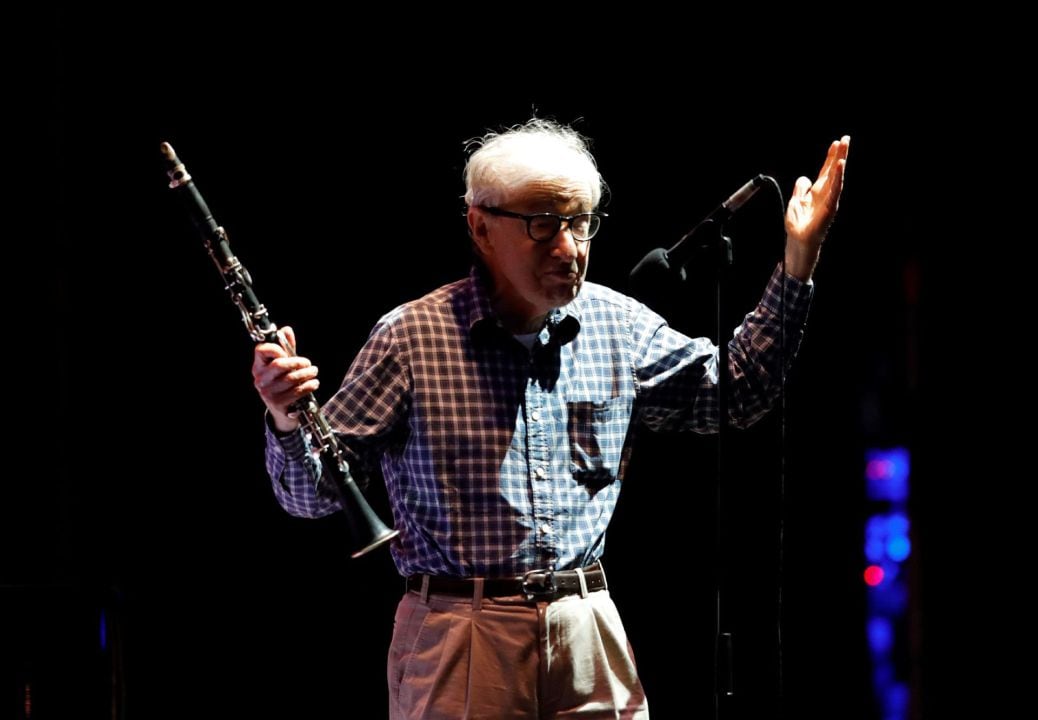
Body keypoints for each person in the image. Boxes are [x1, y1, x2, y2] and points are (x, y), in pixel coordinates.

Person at [252, 118, 849, 719]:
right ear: (480, 228)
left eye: (581, 223)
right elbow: (310, 495)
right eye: (542, 226)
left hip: (586, 620)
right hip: (463, 629)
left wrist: (800, 256)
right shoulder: (411, 338)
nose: (569, 249)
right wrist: (283, 415)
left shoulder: (619, 326)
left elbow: (739, 392)